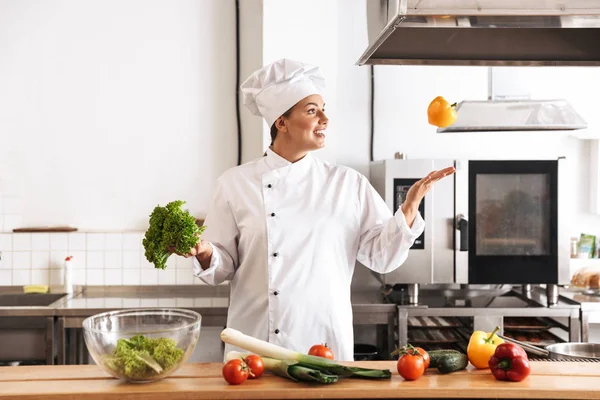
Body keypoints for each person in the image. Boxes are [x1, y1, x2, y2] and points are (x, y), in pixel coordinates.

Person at [181, 58, 455, 361]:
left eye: (323, 109)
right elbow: (224, 265)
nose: (325, 118)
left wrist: (409, 208)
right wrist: (205, 253)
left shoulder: (347, 184)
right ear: (281, 123)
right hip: (254, 345)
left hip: (325, 345)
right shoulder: (234, 184)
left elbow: (382, 257)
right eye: (312, 111)